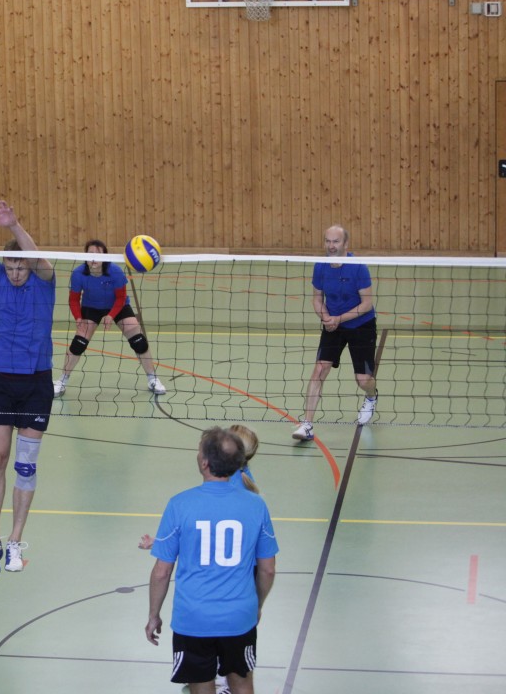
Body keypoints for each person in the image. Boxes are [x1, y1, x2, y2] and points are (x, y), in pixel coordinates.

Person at [145, 428, 278, 694]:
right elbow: (267, 570)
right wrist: (256, 605)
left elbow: (161, 572)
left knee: (201, 686)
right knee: (242, 683)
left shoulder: (179, 504)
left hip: (193, 618)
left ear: (204, 462)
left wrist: (153, 615)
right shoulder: (256, 505)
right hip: (239, 617)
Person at [0, 194, 56, 579]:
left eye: (20, 264)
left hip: (36, 383)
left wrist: (14, 225)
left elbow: (38, 259)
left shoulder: (44, 282)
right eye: (11, 264)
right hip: (0, 382)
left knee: (25, 464)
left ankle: (16, 539)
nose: (16, 271)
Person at [292, 225, 379, 442]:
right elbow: (317, 298)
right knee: (319, 370)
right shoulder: (320, 266)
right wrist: (326, 317)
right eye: (328, 241)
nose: (331, 246)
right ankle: (307, 425)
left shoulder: (358, 268)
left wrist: (338, 319)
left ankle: (371, 396)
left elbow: (367, 304)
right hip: (333, 325)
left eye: (336, 241)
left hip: (361, 325)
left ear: (346, 244)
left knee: (363, 380)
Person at [53, 238, 166, 397]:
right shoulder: (78, 274)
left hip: (117, 306)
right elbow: (73, 300)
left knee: (138, 338)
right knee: (79, 342)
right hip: (91, 307)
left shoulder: (115, 272)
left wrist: (111, 315)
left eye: (98, 254)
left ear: (105, 257)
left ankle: (152, 378)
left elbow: (121, 298)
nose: (93, 258)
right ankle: (62, 381)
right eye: (90, 254)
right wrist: (78, 318)